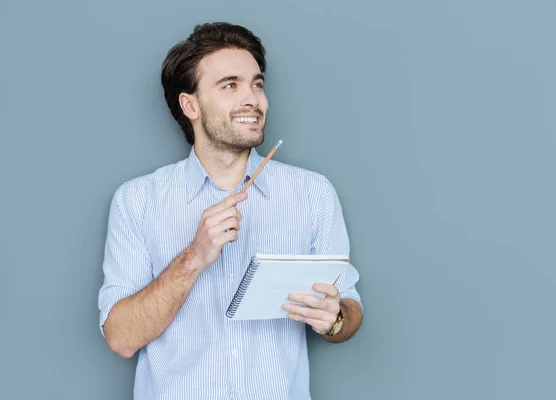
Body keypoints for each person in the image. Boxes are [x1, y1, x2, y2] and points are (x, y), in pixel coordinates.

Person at [98, 21, 363, 400]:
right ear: (190, 105)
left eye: (257, 84)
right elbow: (121, 338)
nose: (253, 99)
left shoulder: (312, 193)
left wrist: (335, 321)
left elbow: (350, 309)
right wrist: (194, 257)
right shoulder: (137, 201)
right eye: (230, 85)